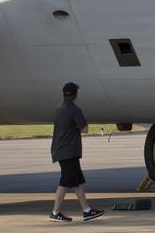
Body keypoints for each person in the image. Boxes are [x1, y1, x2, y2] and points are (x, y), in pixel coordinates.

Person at [49, 82, 106, 223]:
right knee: (65, 181)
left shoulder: (59, 107)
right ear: (76, 94)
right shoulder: (74, 109)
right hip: (68, 151)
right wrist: (78, 124)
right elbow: (85, 129)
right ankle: (55, 212)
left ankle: (86, 210)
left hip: (60, 149)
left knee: (78, 181)